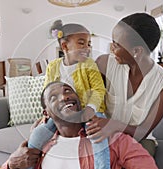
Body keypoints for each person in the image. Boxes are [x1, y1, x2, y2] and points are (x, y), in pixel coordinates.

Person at [1, 81, 158, 169]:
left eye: (68, 91)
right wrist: (11, 164)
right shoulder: (38, 144)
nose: (64, 97)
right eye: (54, 97)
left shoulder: (110, 138)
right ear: (46, 113)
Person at [86, 13, 163, 155]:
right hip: (105, 134)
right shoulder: (104, 64)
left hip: (139, 140)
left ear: (136, 51)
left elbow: (142, 132)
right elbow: (86, 97)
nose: (111, 48)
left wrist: (114, 125)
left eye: (116, 45)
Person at [28, 20, 110, 169]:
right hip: (62, 115)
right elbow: (47, 92)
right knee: (37, 134)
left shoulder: (89, 64)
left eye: (89, 44)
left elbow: (99, 89)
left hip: (91, 111)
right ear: (65, 46)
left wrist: (91, 109)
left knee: (98, 138)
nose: (87, 48)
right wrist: (45, 115)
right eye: (81, 43)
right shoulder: (53, 67)